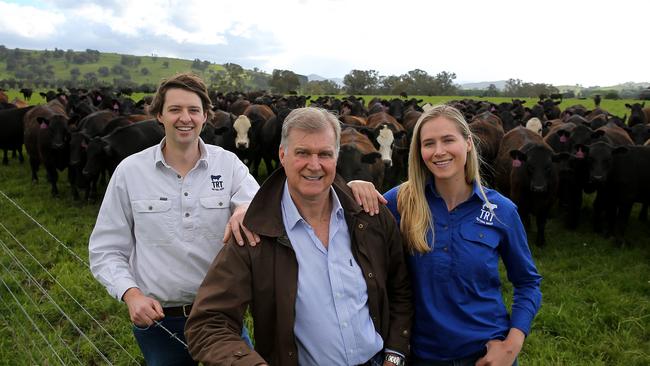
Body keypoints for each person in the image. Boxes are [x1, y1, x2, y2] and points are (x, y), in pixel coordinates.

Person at [184, 107, 412, 366]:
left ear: (336, 157)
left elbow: (400, 290)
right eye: (302, 153)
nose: (314, 165)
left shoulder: (369, 215)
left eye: (324, 154)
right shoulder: (254, 232)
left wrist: (395, 354)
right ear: (282, 155)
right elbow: (208, 322)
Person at [349, 104, 542, 366]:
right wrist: (350, 188)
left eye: (448, 140)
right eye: (429, 143)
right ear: (419, 151)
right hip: (420, 354)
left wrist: (512, 344)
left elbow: (528, 282)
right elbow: (341, 221)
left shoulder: (501, 211)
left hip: (486, 354)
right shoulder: (399, 202)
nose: (439, 152)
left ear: (469, 143)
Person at [88, 73, 260, 366]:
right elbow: (106, 249)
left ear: (206, 116)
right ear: (159, 114)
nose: (185, 118)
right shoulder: (130, 171)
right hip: (160, 322)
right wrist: (131, 295)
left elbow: (261, 206)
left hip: (220, 316)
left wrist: (246, 208)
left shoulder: (228, 164)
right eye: (175, 109)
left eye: (194, 110)